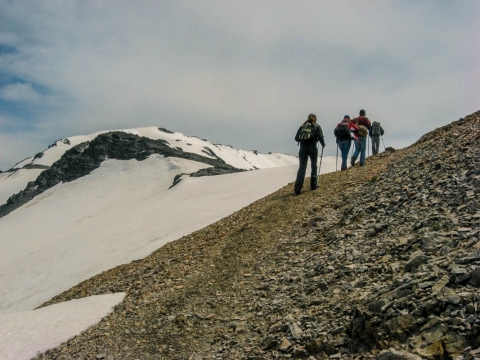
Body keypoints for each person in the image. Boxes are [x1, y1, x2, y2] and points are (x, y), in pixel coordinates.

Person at [294, 113, 326, 195]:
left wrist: (303, 139)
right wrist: (323, 144)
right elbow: (320, 136)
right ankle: (313, 185)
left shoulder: (302, 126)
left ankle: (298, 188)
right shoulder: (317, 126)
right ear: (315, 119)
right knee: (314, 166)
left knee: (302, 167)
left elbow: (296, 138)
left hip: (303, 148)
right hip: (312, 147)